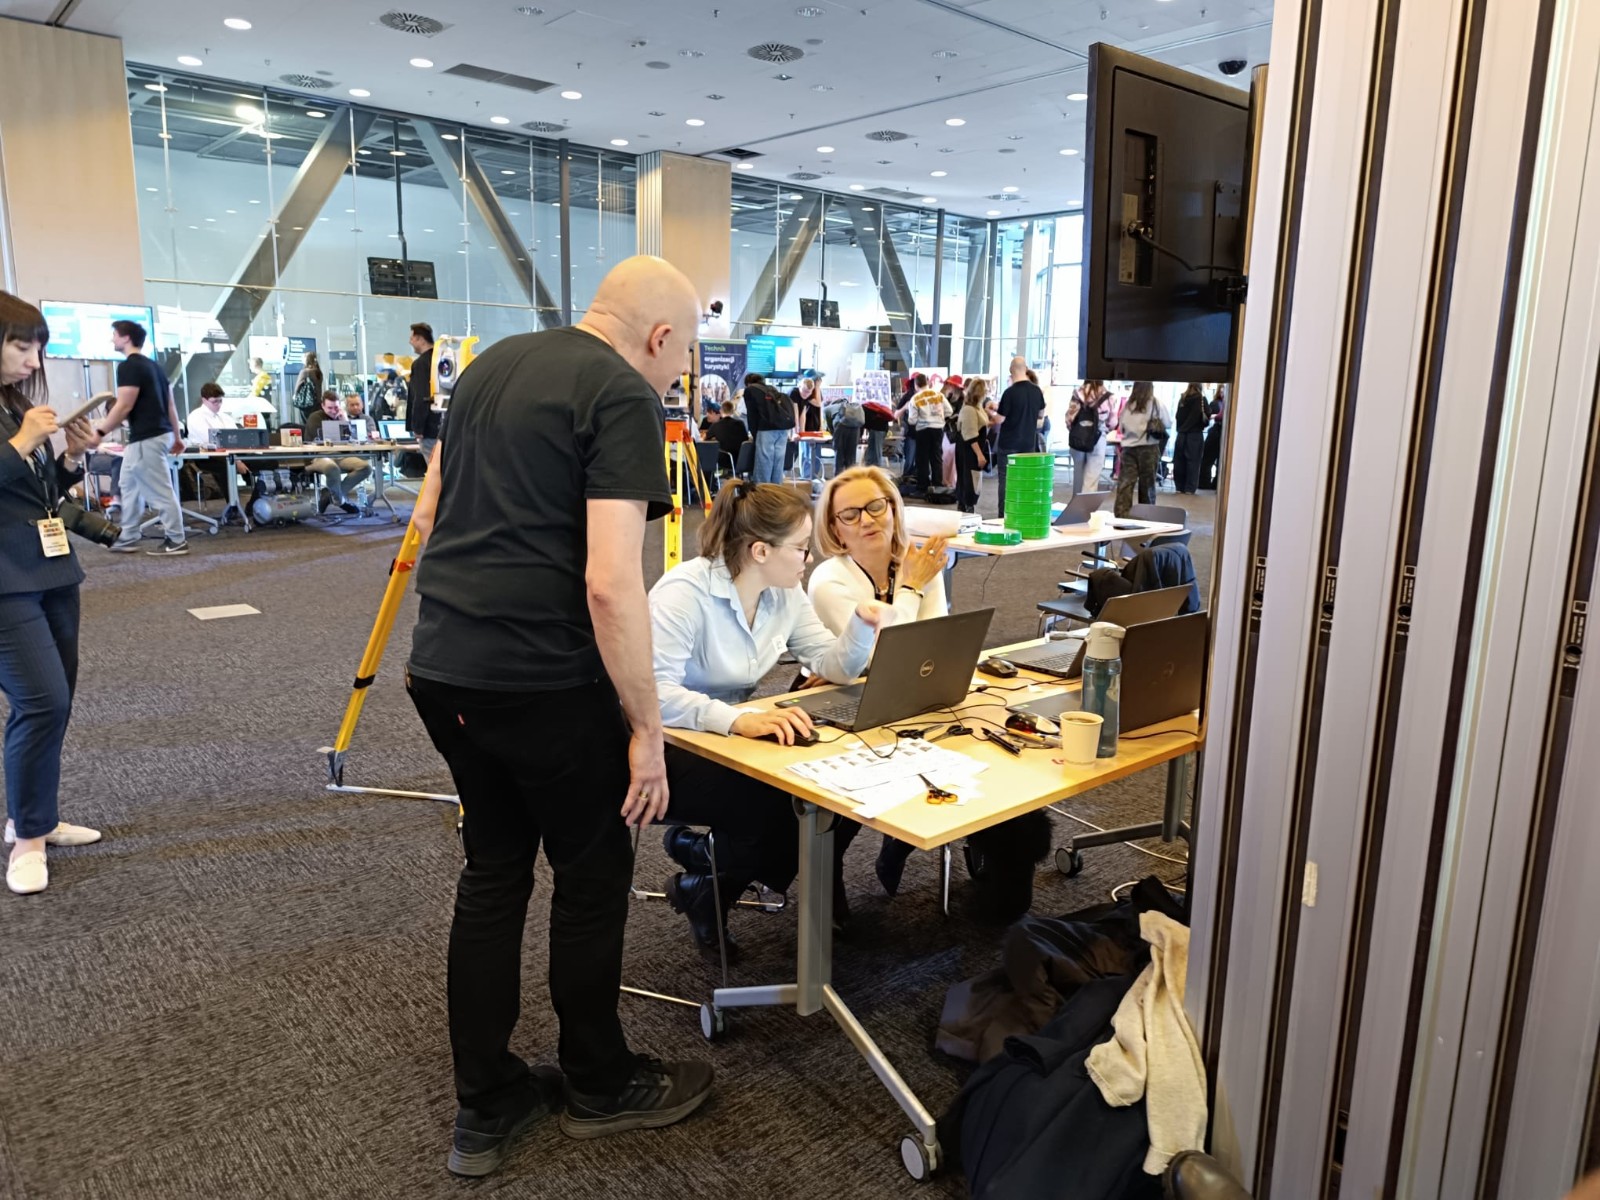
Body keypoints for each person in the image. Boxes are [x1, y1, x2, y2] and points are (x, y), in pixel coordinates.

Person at [405, 255, 712, 1176]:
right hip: (543, 681)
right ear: (660, 337)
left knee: (494, 872)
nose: (680, 373)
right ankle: (599, 1082)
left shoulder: (489, 365)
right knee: (591, 871)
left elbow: (428, 513)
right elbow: (612, 583)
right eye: (685, 355)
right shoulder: (622, 395)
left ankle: (486, 1103)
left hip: (445, 670)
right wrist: (647, 730)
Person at [651, 480, 890, 956]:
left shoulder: (784, 593)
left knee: (841, 789)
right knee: (777, 802)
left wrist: (862, 625)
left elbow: (832, 664)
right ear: (760, 551)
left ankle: (710, 879)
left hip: (730, 734)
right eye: (800, 548)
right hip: (664, 742)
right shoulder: (683, 594)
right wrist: (735, 721)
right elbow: (653, 695)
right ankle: (708, 865)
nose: (808, 558)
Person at [807, 466, 1052, 920]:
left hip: (916, 687)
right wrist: (913, 588)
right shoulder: (830, 580)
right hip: (842, 698)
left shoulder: (917, 563)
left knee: (989, 754)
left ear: (893, 510)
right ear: (835, 530)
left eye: (875, 506)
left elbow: (931, 643)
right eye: (850, 514)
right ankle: (829, 883)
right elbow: (880, 655)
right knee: (840, 801)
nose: (867, 519)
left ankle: (957, 854)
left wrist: (915, 589)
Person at [0, 294, 103, 895]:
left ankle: (33, 815)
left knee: (55, 702)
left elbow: (34, 493)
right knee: (41, 702)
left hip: (51, 570)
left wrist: (69, 457)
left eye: (37, 347)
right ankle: (27, 840)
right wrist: (19, 444)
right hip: (6, 582)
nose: (32, 360)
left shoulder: (14, 404)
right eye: (21, 346)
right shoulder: (18, 420)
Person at [94, 320, 188, 557]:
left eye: (115, 335)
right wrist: (176, 436)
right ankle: (128, 536)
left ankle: (176, 540)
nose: (112, 339)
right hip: (152, 436)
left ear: (126, 338)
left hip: (148, 437)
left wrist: (100, 432)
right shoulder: (155, 367)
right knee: (128, 485)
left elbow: (124, 405)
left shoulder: (129, 366)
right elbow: (170, 405)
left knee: (160, 491)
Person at [994, 356, 1046, 518]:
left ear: (1011, 370)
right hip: (1028, 444)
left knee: (1006, 480)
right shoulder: (1037, 391)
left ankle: (1004, 516)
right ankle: (1023, 514)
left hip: (1009, 444)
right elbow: (1041, 414)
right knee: (1025, 480)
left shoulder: (1009, 393)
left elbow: (1000, 419)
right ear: (1026, 369)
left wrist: (990, 415)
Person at [304, 391, 371, 515]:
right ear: (323, 406)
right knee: (331, 468)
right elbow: (320, 440)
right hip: (318, 457)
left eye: (336, 407)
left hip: (340, 455)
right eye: (330, 408)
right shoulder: (315, 417)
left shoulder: (342, 416)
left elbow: (354, 441)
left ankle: (331, 495)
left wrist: (345, 421)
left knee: (365, 467)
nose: (333, 411)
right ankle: (340, 500)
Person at [185, 381, 249, 505]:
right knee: (227, 465)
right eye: (214, 402)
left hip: (229, 455)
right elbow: (212, 442)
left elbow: (236, 438)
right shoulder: (196, 417)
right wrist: (237, 461)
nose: (218, 405)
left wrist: (237, 458)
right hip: (206, 457)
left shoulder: (225, 417)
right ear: (204, 400)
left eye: (220, 401)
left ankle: (256, 501)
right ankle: (233, 506)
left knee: (266, 462)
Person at [1115, 381, 1170, 516]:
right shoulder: (1156, 403)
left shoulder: (1128, 405)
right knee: (1148, 485)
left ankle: (1122, 514)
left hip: (1129, 449)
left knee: (1126, 484)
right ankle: (1147, 515)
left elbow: (1121, 426)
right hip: (1149, 448)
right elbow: (1167, 423)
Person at [897, 381, 950, 496]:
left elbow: (911, 420)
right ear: (928, 383)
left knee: (922, 459)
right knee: (936, 458)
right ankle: (937, 486)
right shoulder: (938, 395)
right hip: (937, 429)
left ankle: (923, 487)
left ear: (916, 385)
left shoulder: (915, 398)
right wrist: (939, 419)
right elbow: (949, 411)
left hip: (922, 430)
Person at [742, 371, 791, 485]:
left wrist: (755, 434)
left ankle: (762, 492)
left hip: (766, 429)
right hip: (782, 429)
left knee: (764, 463)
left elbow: (752, 415)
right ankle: (776, 491)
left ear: (748, 383)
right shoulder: (772, 389)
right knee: (778, 464)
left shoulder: (750, 390)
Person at [1066, 379, 1111, 499]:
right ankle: (1086, 507)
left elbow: (1069, 418)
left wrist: (1077, 430)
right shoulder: (1108, 396)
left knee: (1078, 477)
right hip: (1098, 438)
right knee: (1091, 479)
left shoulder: (1077, 393)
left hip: (1078, 438)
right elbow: (1112, 422)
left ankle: (1075, 505)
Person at [954, 378, 991, 513]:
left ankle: (967, 507)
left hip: (972, 449)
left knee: (971, 479)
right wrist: (980, 455)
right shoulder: (969, 409)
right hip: (969, 450)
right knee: (968, 480)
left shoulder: (977, 407)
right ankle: (966, 509)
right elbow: (970, 435)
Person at [406, 323, 440, 457]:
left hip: (429, 429)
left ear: (420, 339)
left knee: (434, 466)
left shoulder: (421, 364)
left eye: (412, 338)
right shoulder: (443, 360)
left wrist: (418, 427)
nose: (410, 342)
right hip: (446, 427)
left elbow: (421, 396)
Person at [1172, 382, 1207, 494]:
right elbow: (1206, 416)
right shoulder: (1201, 399)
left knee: (1179, 461)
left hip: (1181, 434)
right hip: (1195, 435)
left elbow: (1177, 416)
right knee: (1193, 463)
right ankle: (1189, 488)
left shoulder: (1182, 399)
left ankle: (1179, 487)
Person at [790, 373, 824, 482]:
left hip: (806, 425)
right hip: (788, 422)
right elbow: (795, 414)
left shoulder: (807, 395)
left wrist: (802, 432)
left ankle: (811, 478)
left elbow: (802, 415)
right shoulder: (795, 392)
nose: (806, 394)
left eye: (809, 392)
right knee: (801, 453)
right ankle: (804, 477)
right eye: (804, 391)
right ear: (800, 386)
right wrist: (796, 432)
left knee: (810, 453)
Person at [826, 387, 865, 473]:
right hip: (855, 429)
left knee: (839, 456)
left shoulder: (830, 407)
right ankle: (850, 478)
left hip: (841, 428)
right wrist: (860, 435)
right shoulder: (854, 408)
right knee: (851, 457)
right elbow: (861, 422)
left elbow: (829, 423)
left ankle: (839, 477)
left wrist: (832, 432)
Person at [704, 400, 747, 475]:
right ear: (733, 411)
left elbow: (705, 438)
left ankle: (711, 479)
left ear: (721, 411)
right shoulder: (741, 424)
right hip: (740, 459)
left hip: (724, 460)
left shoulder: (716, 425)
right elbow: (745, 439)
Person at [1200, 384, 1226, 490]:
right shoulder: (1215, 403)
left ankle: (1214, 484)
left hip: (1221, 432)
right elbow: (1209, 416)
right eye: (1221, 392)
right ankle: (1204, 483)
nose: (1222, 394)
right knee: (1208, 459)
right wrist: (1216, 416)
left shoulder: (1224, 404)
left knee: (1220, 461)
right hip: (1216, 431)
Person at [293, 350, 324, 420]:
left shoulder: (305, 372)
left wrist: (295, 395)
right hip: (318, 402)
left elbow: (298, 387)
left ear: (307, 360)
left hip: (307, 403)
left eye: (303, 358)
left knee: (306, 423)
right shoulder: (318, 372)